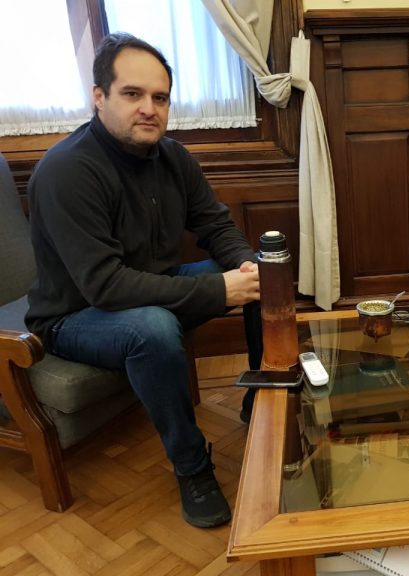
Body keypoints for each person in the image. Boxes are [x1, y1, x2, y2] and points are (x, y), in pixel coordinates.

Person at [25, 33, 265, 528]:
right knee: (152, 327)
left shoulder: (173, 156)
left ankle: (262, 399)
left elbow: (216, 226)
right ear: (99, 96)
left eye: (160, 97)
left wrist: (247, 268)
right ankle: (192, 467)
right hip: (75, 316)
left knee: (266, 278)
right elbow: (106, 287)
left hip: (152, 285)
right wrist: (219, 289)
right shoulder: (66, 170)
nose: (149, 109)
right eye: (132, 94)